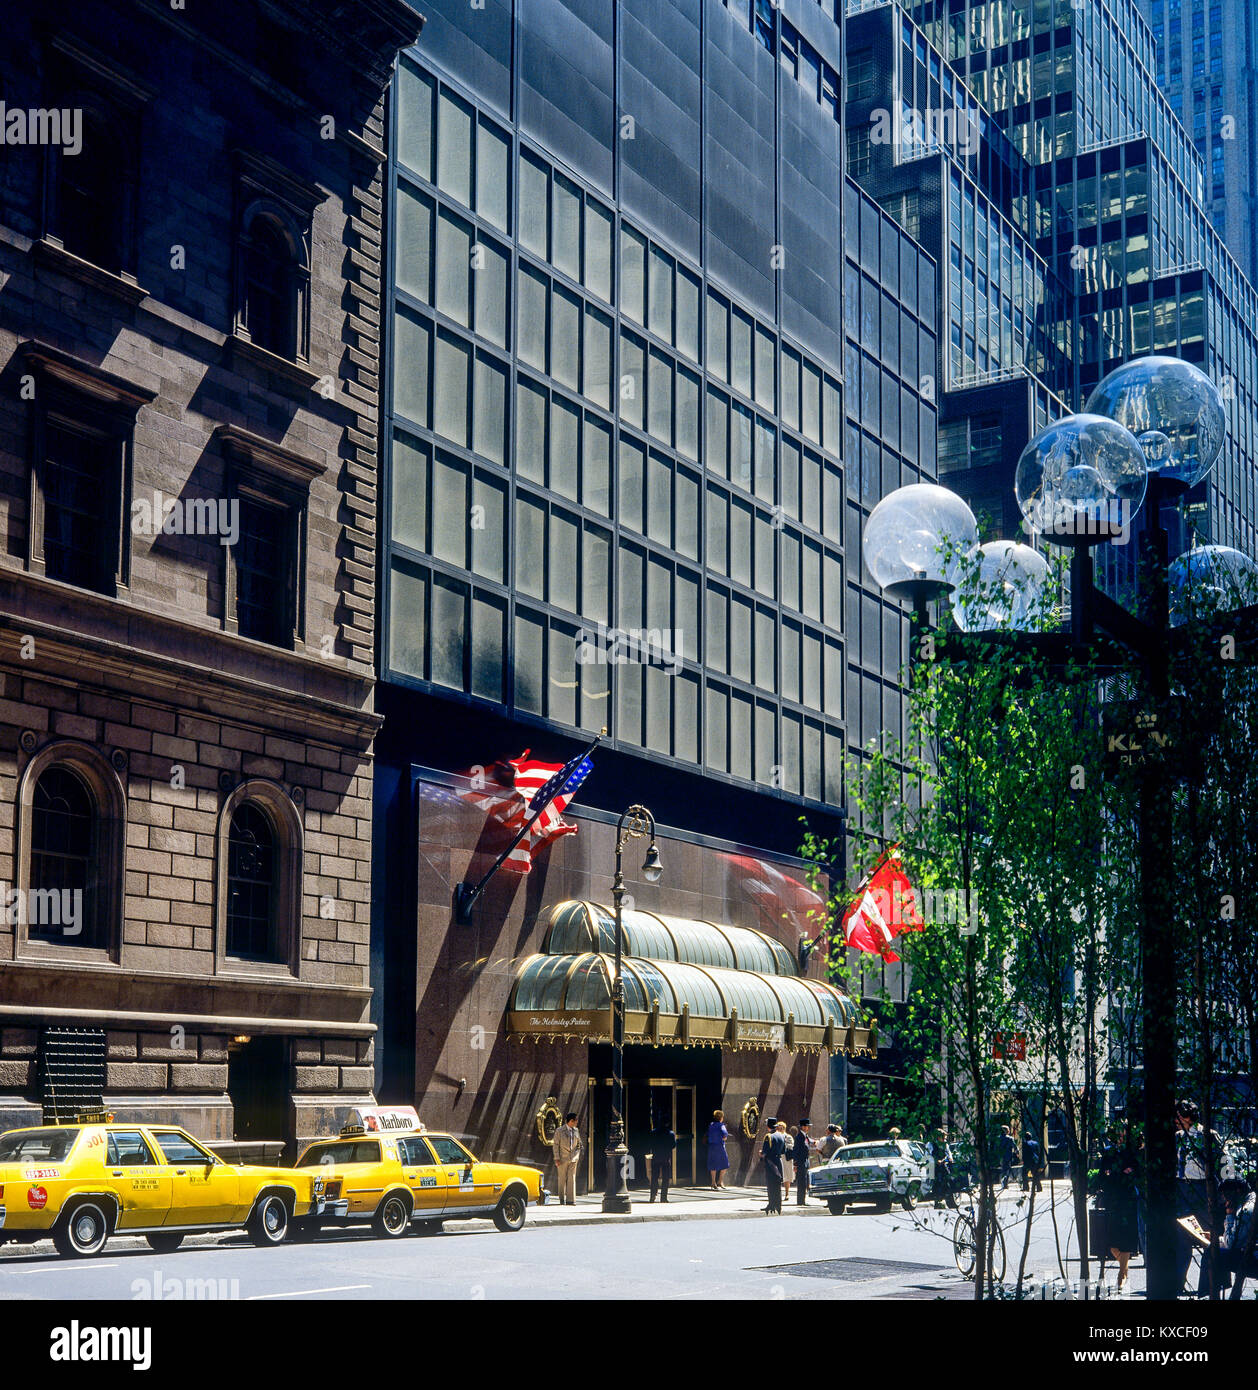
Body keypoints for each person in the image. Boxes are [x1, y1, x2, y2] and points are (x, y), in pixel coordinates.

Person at [1174, 1099, 1222, 1295]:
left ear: (1185, 1117)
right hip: (1182, 1189)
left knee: (1208, 1237)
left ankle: (1210, 1284)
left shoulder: (1208, 1136)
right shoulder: (1177, 1137)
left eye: (1178, 1116)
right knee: (1181, 1238)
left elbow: (1223, 1162)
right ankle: (1178, 1284)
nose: (1175, 1121)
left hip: (1203, 1190)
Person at [1097, 1123, 1141, 1292]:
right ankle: (1124, 1267)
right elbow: (1103, 1174)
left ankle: (1121, 1275)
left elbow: (1136, 1171)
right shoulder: (1108, 1151)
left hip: (1128, 1198)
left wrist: (1126, 1173)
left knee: (1126, 1239)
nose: (1120, 1136)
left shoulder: (1131, 1152)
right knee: (1112, 1243)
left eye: (1123, 1133)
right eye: (1118, 1133)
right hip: (1112, 1198)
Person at [552, 1111, 582, 1205]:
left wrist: (576, 1156)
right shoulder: (559, 1131)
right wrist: (556, 1158)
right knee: (562, 1179)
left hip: (573, 1159)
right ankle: (561, 1199)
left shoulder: (576, 1130)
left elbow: (579, 1144)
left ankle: (571, 1200)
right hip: (562, 1159)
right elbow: (556, 1145)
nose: (577, 1122)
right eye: (576, 1121)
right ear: (571, 1121)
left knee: (571, 1179)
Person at [647, 1111, 677, 1204]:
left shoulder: (653, 1132)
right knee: (665, 1178)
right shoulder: (671, 1134)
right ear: (667, 1123)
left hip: (656, 1157)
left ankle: (652, 1196)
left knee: (654, 1178)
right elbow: (673, 1145)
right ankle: (663, 1197)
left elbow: (650, 1144)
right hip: (666, 1157)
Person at [761, 1118, 786, 1215]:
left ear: (768, 1126)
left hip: (770, 1161)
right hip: (778, 1161)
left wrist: (761, 1155)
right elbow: (783, 1151)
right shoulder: (781, 1135)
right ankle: (778, 1205)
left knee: (771, 1184)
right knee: (777, 1184)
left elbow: (765, 1151)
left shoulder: (768, 1136)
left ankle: (771, 1204)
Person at [931, 1128, 957, 1209]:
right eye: (943, 1137)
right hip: (934, 1167)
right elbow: (929, 1155)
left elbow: (948, 1155)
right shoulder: (931, 1145)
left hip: (942, 1166)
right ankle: (937, 1201)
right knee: (936, 1184)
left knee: (948, 1180)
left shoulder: (945, 1145)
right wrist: (935, 1160)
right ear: (938, 1137)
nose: (945, 1139)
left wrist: (948, 1159)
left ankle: (945, 1197)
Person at [706, 1109, 731, 1190]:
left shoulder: (711, 1124)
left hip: (711, 1147)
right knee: (725, 1163)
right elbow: (725, 1134)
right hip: (720, 1147)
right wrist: (723, 1138)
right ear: (721, 1118)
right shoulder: (721, 1125)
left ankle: (713, 1182)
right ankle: (720, 1181)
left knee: (713, 1164)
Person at [793, 1119, 814, 1205]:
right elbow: (796, 1151)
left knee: (804, 1182)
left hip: (805, 1161)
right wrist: (795, 1164)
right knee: (801, 1182)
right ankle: (800, 1201)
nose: (808, 1128)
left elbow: (808, 1143)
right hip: (801, 1162)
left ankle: (803, 1200)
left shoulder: (805, 1136)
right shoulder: (799, 1137)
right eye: (806, 1126)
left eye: (808, 1126)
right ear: (802, 1127)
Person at [998, 1125, 1017, 1190]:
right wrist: (1017, 1152)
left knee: (1003, 1169)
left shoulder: (998, 1138)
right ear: (1007, 1131)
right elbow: (1014, 1146)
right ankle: (1005, 1182)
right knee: (1008, 1169)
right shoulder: (1010, 1138)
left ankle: (1003, 1182)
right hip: (1008, 1156)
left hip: (1001, 1156)